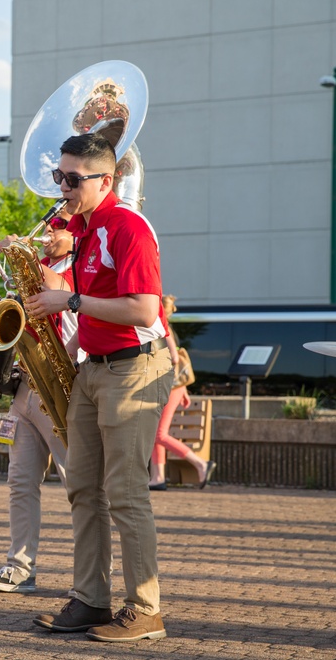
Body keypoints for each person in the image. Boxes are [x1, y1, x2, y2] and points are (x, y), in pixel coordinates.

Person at [23, 132, 173, 642]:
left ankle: (145, 609)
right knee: (83, 488)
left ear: (106, 180)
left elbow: (144, 310)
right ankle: (90, 600)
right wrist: (52, 359)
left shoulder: (125, 226)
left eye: (71, 179)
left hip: (134, 368)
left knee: (126, 493)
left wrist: (67, 304)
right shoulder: (85, 230)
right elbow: (90, 307)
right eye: (57, 176)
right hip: (95, 367)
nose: (60, 187)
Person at [0, 217, 79, 594]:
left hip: (65, 388)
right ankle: (18, 568)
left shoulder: (79, 268)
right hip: (26, 385)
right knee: (20, 483)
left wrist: (25, 257)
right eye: (48, 227)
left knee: (79, 486)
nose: (51, 232)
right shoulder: (37, 271)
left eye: (60, 227)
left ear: (76, 233)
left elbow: (62, 289)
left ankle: (92, 576)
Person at [149, 295, 215, 490]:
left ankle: (200, 464)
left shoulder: (163, 328)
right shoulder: (168, 328)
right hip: (173, 387)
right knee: (156, 432)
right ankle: (158, 476)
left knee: (159, 433)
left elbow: (175, 359)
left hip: (169, 386)